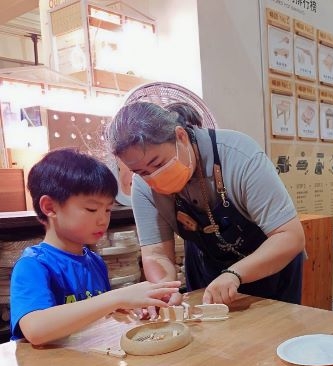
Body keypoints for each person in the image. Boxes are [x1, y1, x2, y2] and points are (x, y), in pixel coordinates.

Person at [105, 100, 305, 308]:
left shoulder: (239, 155)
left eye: (158, 164)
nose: (153, 177)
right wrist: (163, 291)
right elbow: (156, 253)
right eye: (142, 172)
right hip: (208, 271)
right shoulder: (142, 187)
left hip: (270, 267)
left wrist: (235, 274)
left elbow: (289, 236)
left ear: (181, 136)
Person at [10, 149, 180, 345]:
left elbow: (97, 315)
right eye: (91, 209)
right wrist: (117, 298)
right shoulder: (33, 265)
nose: (103, 220)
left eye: (107, 209)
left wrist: (126, 307)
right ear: (49, 207)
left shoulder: (94, 261)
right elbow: (35, 329)